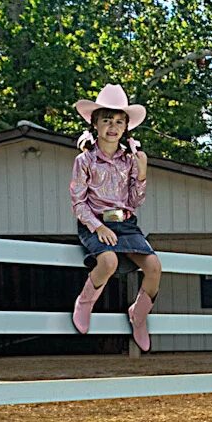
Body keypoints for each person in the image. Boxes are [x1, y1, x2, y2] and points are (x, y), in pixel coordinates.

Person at [69, 83, 161, 352]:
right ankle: (85, 302)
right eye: (107, 120)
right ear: (95, 124)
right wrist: (97, 227)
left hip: (126, 223)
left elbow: (134, 202)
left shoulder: (129, 160)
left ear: (126, 128)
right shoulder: (85, 160)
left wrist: (142, 173)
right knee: (107, 260)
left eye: (119, 121)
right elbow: (78, 201)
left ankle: (139, 315)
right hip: (95, 221)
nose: (113, 126)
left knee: (154, 266)